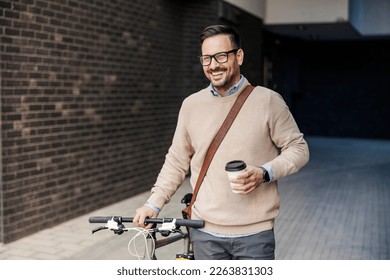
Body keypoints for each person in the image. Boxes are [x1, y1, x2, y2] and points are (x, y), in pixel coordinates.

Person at [133, 24, 309, 260]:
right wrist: (153, 204)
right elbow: (176, 161)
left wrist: (264, 172)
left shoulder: (268, 101)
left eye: (221, 56)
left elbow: (298, 149)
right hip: (204, 232)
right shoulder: (191, 105)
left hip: (255, 236)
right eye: (206, 59)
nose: (213, 65)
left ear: (239, 56)